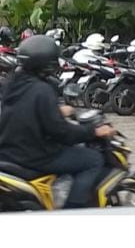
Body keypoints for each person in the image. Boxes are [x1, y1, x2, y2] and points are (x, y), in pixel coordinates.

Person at [0, 35, 115, 208]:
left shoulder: (13, 84)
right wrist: (93, 131)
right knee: (93, 159)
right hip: (35, 155)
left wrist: (57, 110)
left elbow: (26, 108)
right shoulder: (42, 90)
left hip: (9, 151)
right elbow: (61, 132)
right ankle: (72, 211)